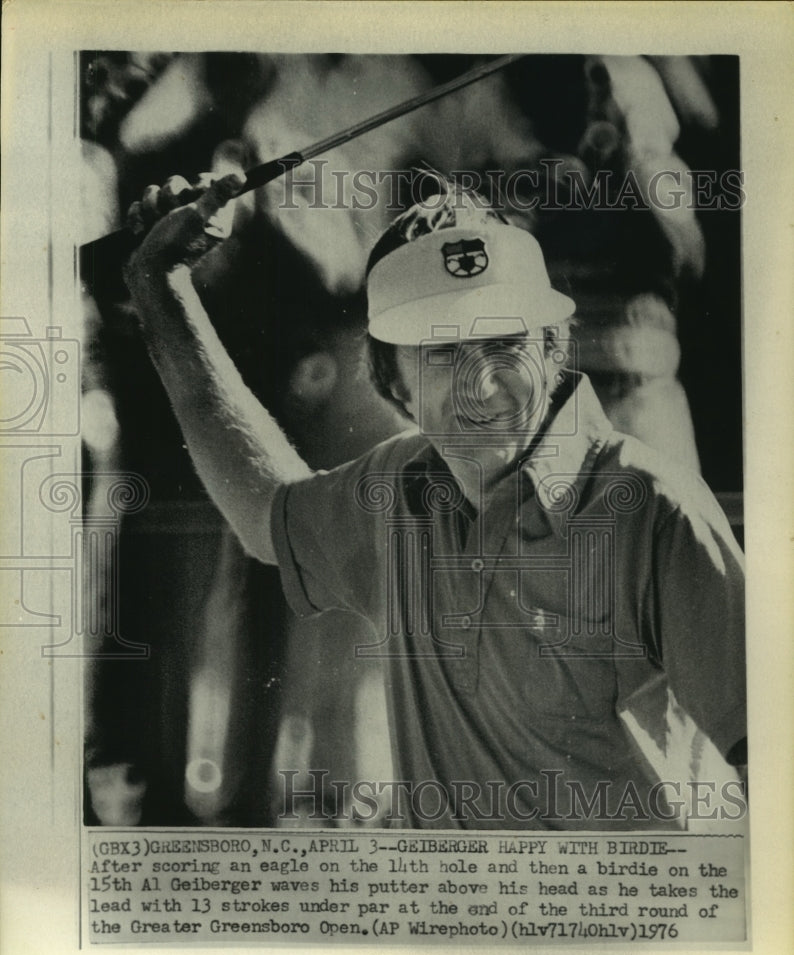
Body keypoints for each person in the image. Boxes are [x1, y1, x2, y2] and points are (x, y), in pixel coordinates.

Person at [124, 172, 746, 831]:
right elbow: (263, 512)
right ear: (395, 384)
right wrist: (162, 287)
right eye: (444, 351)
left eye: (504, 341)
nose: (481, 382)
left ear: (553, 349)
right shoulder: (396, 490)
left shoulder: (650, 505)